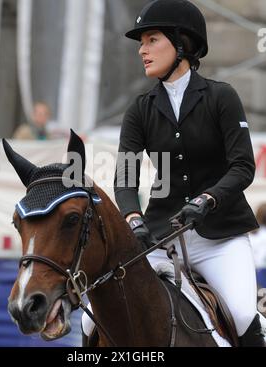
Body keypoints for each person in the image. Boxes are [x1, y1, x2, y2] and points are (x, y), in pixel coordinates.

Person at [114, 0, 265, 347]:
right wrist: (132, 216)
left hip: (220, 239)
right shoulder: (140, 110)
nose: (142, 50)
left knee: (244, 315)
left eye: (152, 39)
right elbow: (125, 176)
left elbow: (243, 166)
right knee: (97, 316)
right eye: (142, 42)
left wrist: (208, 199)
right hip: (159, 240)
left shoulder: (221, 97)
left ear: (182, 43)